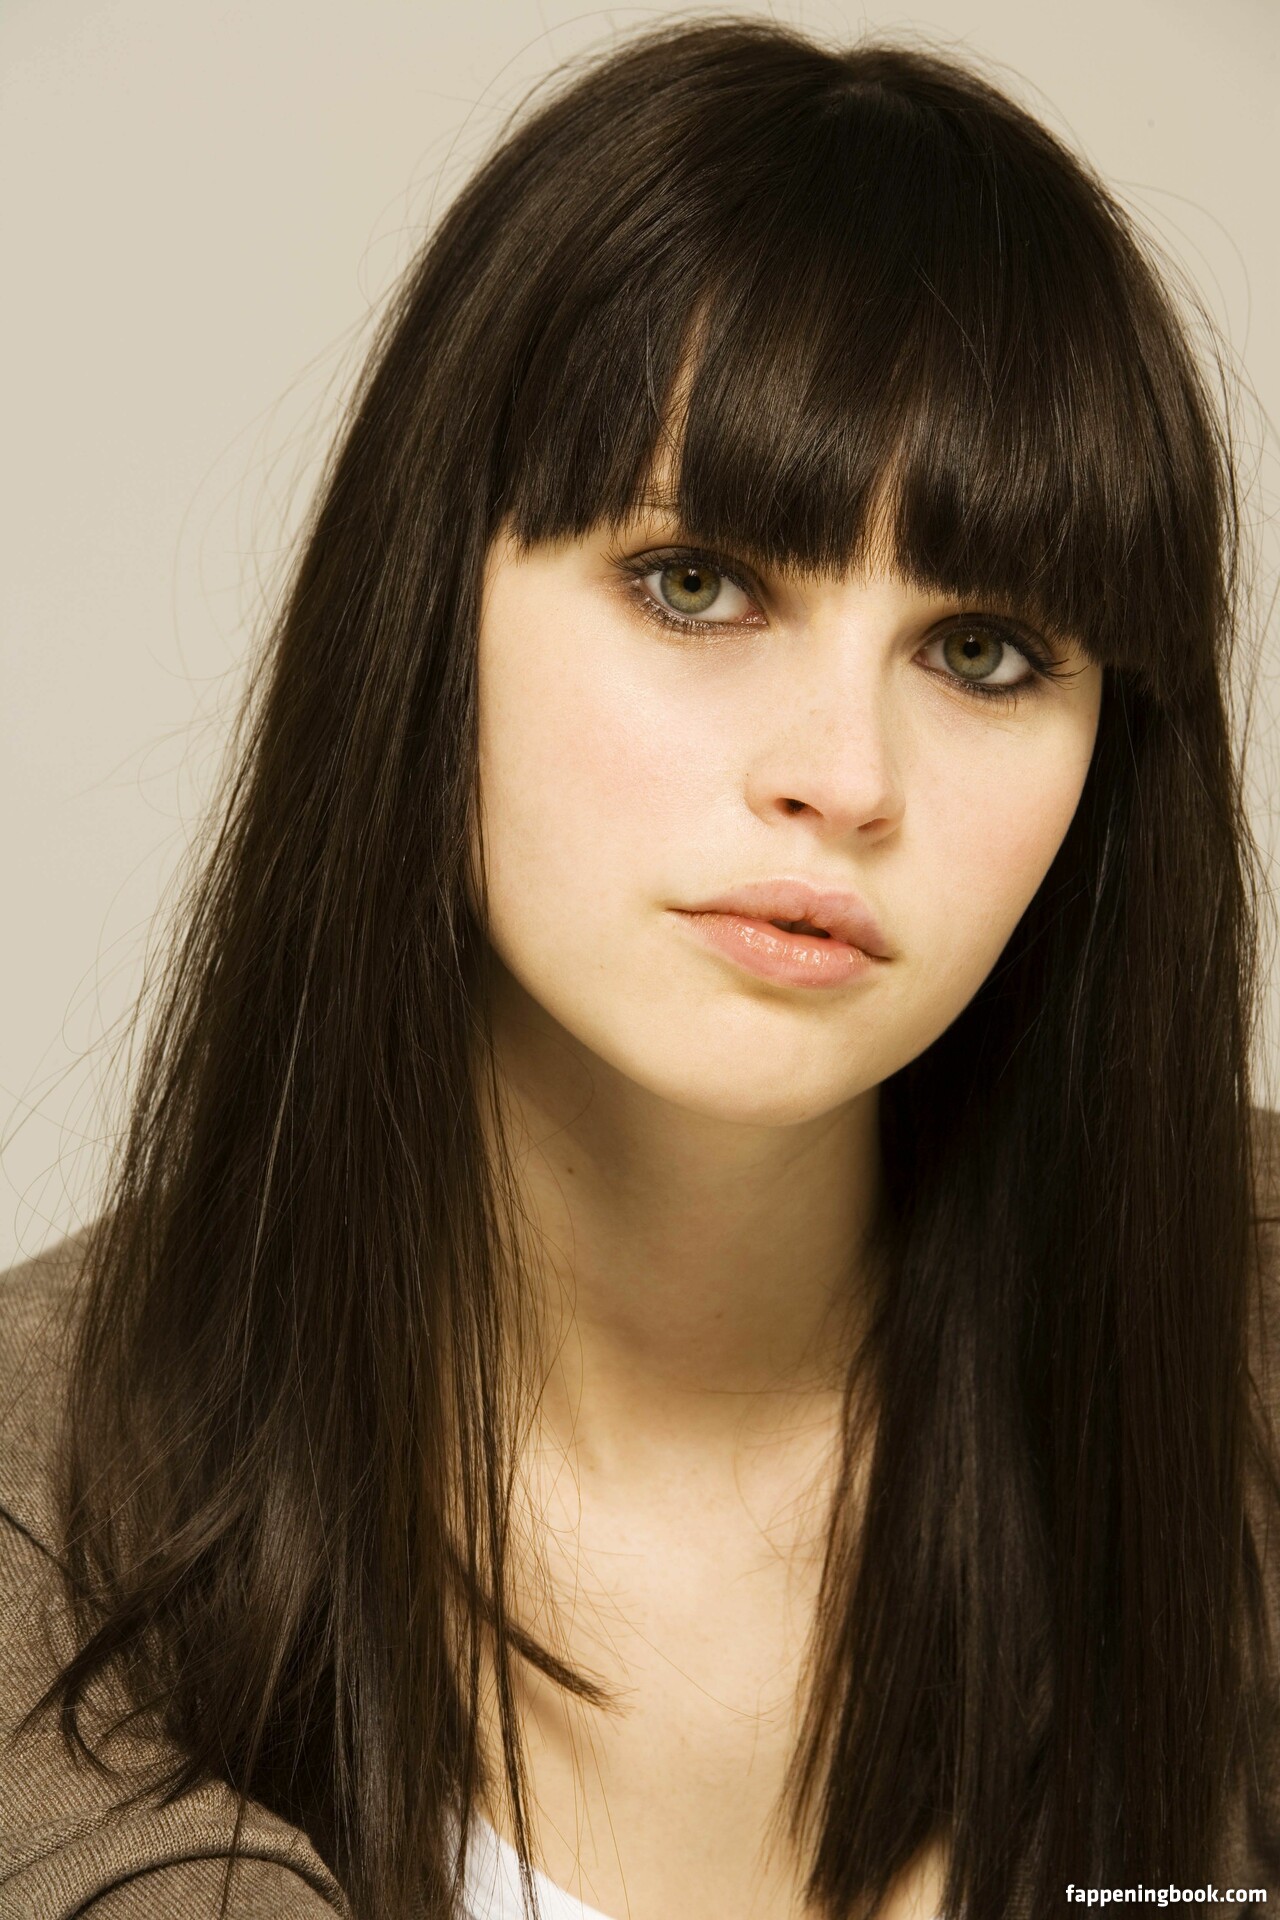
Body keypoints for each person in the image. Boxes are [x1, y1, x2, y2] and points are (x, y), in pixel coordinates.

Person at [1, 15, 1277, 1919]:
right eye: (699, 583)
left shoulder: (1237, 1341)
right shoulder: (43, 1508)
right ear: (429, 617)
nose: (844, 778)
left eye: (985, 651)